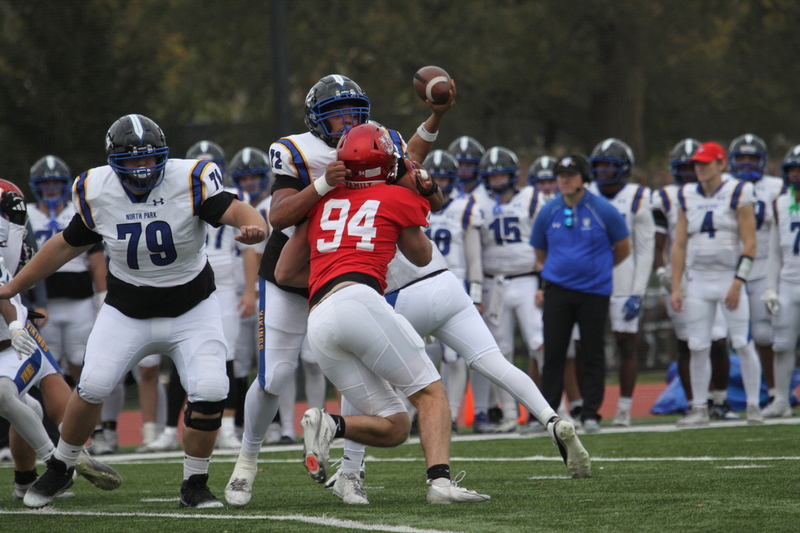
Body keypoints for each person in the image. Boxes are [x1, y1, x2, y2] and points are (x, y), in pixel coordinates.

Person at [0, 114, 267, 509]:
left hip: (193, 306)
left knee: (212, 388)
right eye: (133, 161)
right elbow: (64, 244)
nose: (144, 169)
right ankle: (60, 466)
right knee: (92, 384)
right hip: (126, 309)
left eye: (150, 159)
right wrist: (12, 287)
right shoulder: (97, 188)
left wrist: (255, 223)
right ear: (113, 162)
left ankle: (194, 483)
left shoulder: (191, 178)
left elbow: (234, 209)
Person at [224, 73, 452, 507]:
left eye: (353, 113)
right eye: (336, 115)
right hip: (293, 271)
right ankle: (246, 463)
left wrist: (433, 122)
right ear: (315, 120)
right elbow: (280, 216)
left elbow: (406, 165)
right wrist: (324, 183)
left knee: (363, 376)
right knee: (274, 377)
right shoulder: (296, 149)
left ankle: (351, 472)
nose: (346, 121)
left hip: (350, 266)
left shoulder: (379, 138)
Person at [275, 123, 489, 505]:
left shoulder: (321, 201)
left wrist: (335, 267)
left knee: (395, 426)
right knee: (432, 394)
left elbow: (285, 273)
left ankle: (330, 424)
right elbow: (422, 257)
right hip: (360, 301)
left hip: (320, 317)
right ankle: (440, 483)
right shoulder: (393, 196)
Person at [0, 185, 122, 501]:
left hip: (12, 341)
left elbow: (6, 293)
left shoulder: (11, 235)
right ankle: (28, 479)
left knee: (11, 393)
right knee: (22, 405)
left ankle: (59, 461)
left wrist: (15, 325)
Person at [531, 155, 630, 433]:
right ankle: (547, 415)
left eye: (571, 175)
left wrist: (598, 270)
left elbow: (623, 247)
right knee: (554, 353)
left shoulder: (603, 209)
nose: (564, 180)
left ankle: (590, 413)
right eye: (561, 175)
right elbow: (540, 250)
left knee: (592, 351)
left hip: (594, 291)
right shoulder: (548, 211)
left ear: (583, 178)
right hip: (558, 291)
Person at [670, 141, 763, 426]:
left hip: (727, 277)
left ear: (721, 164)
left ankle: (753, 406)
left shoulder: (738, 191)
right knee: (697, 345)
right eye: (697, 164)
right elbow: (680, 245)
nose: (699, 168)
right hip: (698, 280)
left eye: (705, 163)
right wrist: (676, 285)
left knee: (742, 343)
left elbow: (750, 243)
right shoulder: (686, 194)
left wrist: (737, 282)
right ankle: (699, 407)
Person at [652, 140, 735, 419]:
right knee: (688, 342)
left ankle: (720, 401)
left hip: (713, 272)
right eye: (685, 168)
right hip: (682, 277)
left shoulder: (726, 190)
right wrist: (662, 273)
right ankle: (695, 403)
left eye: (696, 167)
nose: (691, 173)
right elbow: (659, 240)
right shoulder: (666, 197)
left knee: (719, 339)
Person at [474, 147, 546, 433]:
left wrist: (545, 282)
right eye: (491, 176)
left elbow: (546, 241)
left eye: (501, 174)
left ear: (513, 175)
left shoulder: (532, 199)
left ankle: (552, 408)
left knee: (539, 344)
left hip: (528, 280)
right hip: (495, 284)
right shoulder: (477, 202)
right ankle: (509, 415)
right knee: (500, 350)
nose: (496, 180)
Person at [587, 139, 655, 427]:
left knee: (626, 343)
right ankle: (585, 408)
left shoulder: (638, 196)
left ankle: (625, 408)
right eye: (599, 165)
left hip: (624, 280)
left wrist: (638, 292)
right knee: (587, 345)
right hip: (590, 280)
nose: (603, 171)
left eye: (609, 166)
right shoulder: (585, 193)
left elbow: (644, 248)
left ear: (623, 169)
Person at [27, 155, 107, 384]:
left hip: (80, 301)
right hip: (44, 301)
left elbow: (96, 258)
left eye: (56, 184)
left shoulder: (79, 210)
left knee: (81, 359)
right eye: (45, 184)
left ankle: (89, 416)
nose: (51, 190)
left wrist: (103, 299)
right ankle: (56, 419)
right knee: (47, 363)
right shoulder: (26, 215)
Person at [728, 134, 783, 411]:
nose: (747, 164)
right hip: (731, 269)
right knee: (729, 336)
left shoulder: (775, 187)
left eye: (752, 159)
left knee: (764, 336)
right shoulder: (726, 186)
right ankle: (722, 397)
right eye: (742, 158)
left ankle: (775, 392)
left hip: (764, 267)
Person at [762, 144, 800, 418]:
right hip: (788, 282)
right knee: (782, 344)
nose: (795, 175)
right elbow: (773, 252)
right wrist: (771, 288)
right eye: (792, 170)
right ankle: (781, 400)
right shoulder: (779, 203)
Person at [447, 136, 488, 200]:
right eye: (459, 164)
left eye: (469, 164)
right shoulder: (443, 193)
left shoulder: (488, 193)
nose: (464, 169)